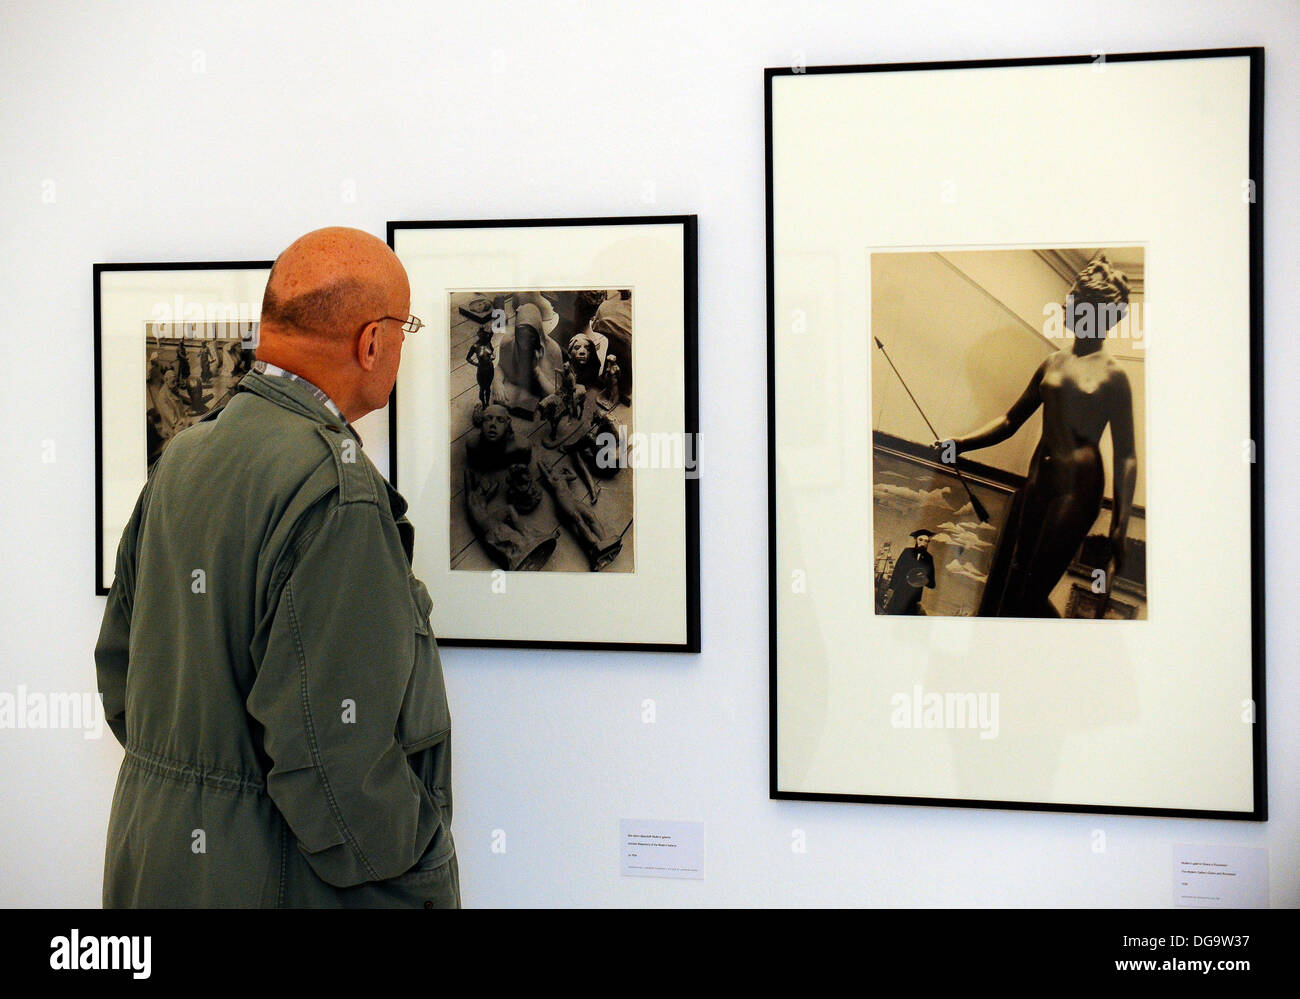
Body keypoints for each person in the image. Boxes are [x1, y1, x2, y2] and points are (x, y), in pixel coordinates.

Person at [95, 226, 459, 908]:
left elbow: (120, 674)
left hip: (155, 867)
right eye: (404, 328)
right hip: (279, 880)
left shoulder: (184, 456)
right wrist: (418, 862)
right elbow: (335, 756)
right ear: (371, 341)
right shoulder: (334, 487)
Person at [936, 255, 1136, 617]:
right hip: (1038, 481)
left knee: (1030, 591)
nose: (1065, 305)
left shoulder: (1113, 374)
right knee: (1012, 583)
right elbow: (1010, 419)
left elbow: (1126, 456)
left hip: (1077, 491)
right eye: (1069, 297)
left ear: (1099, 310)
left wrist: (1120, 528)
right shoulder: (1053, 361)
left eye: (1075, 299)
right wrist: (961, 444)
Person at [881, 528, 936, 615]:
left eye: (926, 541)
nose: (923, 543)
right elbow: (897, 571)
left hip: (913, 598)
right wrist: (891, 590)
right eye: (921, 540)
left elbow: (932, 584)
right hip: (900, 593)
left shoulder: (929, 558)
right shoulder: (907, 552)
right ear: (916, 540)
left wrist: (924, 579)